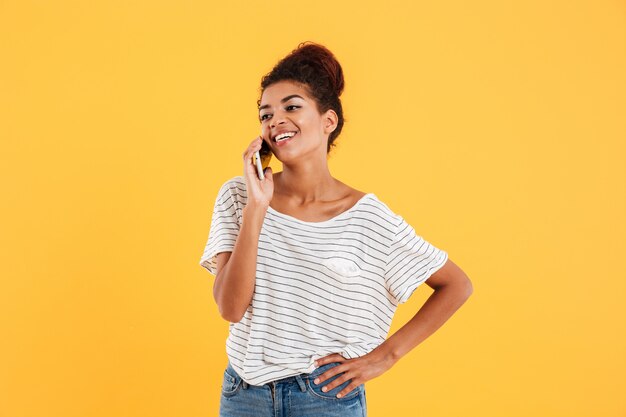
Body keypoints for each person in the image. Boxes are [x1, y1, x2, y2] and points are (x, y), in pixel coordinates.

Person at [199, 41, 473, 417]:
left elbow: (457, 285)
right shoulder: (240, 196)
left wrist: (383, 358)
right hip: (244, 394)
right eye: (266, 114)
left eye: (291, 107)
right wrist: (256, 209)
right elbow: (230, 309)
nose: (275, 119)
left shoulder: (367, 217)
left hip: (323, 398)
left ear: (328, 121)